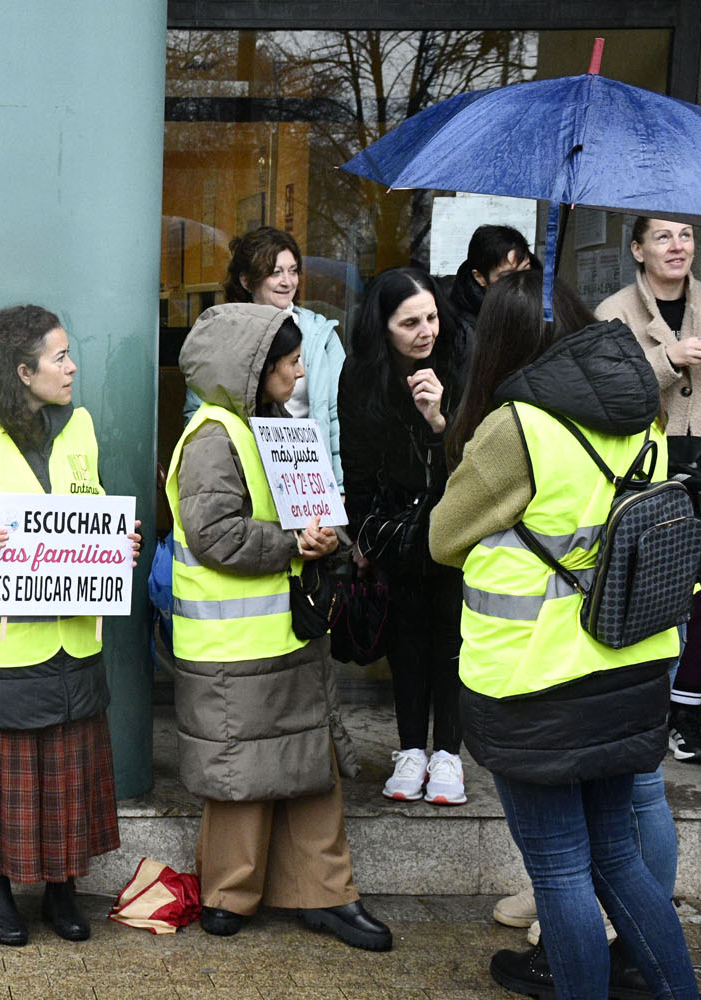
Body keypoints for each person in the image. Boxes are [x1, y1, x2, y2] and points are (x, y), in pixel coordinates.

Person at [431, 269, 700, 1000]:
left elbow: (444, 538)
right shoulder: (641, 409)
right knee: (618, 859)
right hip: (630, 664)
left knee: (558, 870)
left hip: (535, 680)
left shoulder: (516, 426)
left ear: (498, 343)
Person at [0, 304, 139, 947]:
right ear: (22, 371)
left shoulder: (80, 428)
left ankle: (63, 891)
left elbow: (93, 506)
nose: (72, 368)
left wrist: (117, 543)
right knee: (0, 786)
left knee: (67, 778)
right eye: (60, 357)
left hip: (73, 642)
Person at [167, 302, 390, 952]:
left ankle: (314, 893)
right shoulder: (214, 437)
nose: (299, 374)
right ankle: (238, 893)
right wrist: (297, 543)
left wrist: (327, 538)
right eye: (291, 362)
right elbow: (215, 536)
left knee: (307, 767)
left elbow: (309, 509)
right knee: (243, 774)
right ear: (255, 367)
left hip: (285, 636)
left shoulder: (271, 425)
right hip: (237, 647)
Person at [339, 267, 467, 805]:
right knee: (406, 636)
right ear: (383, 326)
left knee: (451, 636)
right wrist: (362, 538)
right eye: (409, 323)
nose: (425, 331)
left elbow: (477, 459)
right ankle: (411, 748)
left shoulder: (458, 357)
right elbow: (356, 464)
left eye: (431, 317)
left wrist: (439, 420)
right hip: (394, 524)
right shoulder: (361, 374)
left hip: (454, 519)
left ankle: (449, 754)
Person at [598, 218, 701, 765]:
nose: (678, 247)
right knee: (650, 592)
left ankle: (686, 719)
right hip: (650, 472)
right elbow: (607, 392)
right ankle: (643, 713)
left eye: (686, 236)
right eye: (663, 237)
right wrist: (669, 359)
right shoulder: (614, 312)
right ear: (637, 248)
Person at [184, 227, 345, 483]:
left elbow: (338, 415)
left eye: (293, 271)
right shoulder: (222, 333)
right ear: (246, 281)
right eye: (275, 272)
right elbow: (198, 412)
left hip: (309, 474)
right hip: (244, 472)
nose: (287, 281)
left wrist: (338, 484)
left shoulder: (320, 335)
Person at [438, 225, 534, 369]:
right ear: (479, 277)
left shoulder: (539, 304)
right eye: (508, 276)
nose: (521, 282)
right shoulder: (464, 333)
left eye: (526, 270)